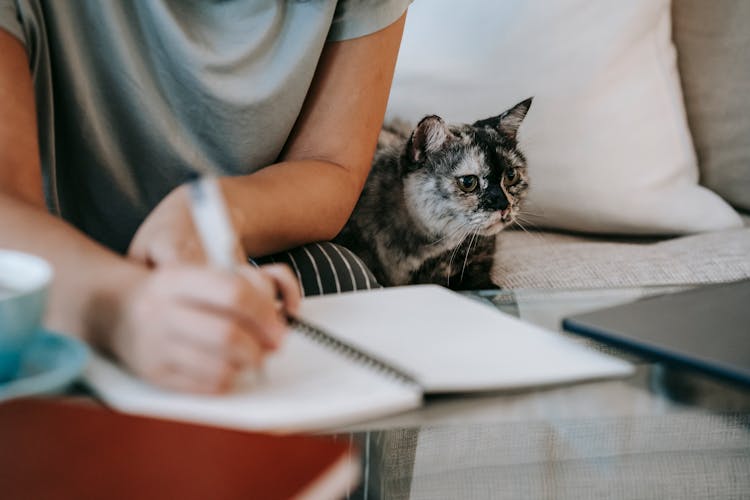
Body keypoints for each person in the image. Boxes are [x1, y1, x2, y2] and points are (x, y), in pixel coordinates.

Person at [0, 1, 409, 393]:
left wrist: (218, 209)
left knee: (340, 276)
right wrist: (120, 309)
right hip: (52, 275)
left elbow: (331, 164)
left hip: (236, 255)